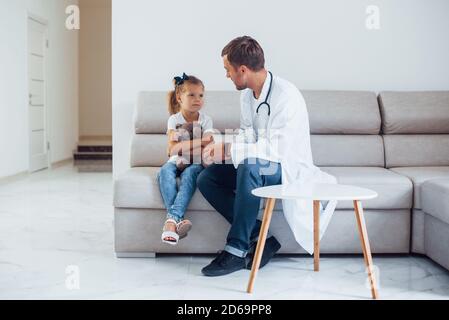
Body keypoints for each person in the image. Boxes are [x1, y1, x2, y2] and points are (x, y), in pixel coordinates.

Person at [198, 36, 338, 277]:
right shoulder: (247, 95)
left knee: (250, 167)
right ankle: (260, 236)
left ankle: (236, 250)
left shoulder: (286, 96)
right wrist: (222, 146)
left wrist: (230, 150)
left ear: (242, 70)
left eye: (227, 70)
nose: (227, 76)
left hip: (287, 167)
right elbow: (246, 134)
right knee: (207, 178)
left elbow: (278, 150)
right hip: (259, 163)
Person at [158, 73, 214, 245]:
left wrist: (186, 143)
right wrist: (199, 141)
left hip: (196, 161)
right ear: (179, 97)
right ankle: (177, 219)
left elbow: (208, 145)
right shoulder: (173, 120)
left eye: (201, 95)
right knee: (164, 171)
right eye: (191, 95)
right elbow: (172, 149)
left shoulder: (206, 120)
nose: (197, 99)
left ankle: (171, 222)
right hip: (176, 159)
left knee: (190, 174)